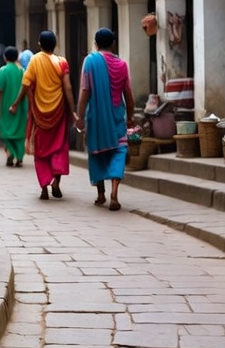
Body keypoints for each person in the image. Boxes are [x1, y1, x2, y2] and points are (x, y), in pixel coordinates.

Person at [9, 30, 75, 200]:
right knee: (59, 146)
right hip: (59, 112)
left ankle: (44, 186)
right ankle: (56, 183)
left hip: (39, 112)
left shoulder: (35, 60)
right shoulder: (62, 62)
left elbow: (26, 84)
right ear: (55, 45)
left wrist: (16, 104)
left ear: (40, 44)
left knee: (42, 150)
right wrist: (73, 109)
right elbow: (67, 87)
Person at [75, 27, 135, 212]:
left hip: (97, 117)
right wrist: (131, 117)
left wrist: (80, 115)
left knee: (97, 152)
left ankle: (101, 194)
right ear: (113, 43)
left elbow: (85, 90)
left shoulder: (90, 61)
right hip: (117, 116)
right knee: (118, 152)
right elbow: (128, 94)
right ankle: (114, 192)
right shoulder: (122, 64)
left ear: (95, 43)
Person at [0, 46, 27, 166]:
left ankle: (10, 153)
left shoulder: (3, 71)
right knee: (19, 133)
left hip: (6, 107)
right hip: (21, 106)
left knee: (6, 132)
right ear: (17, 57)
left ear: (5, 57)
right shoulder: (22, 71)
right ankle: (19, 157)